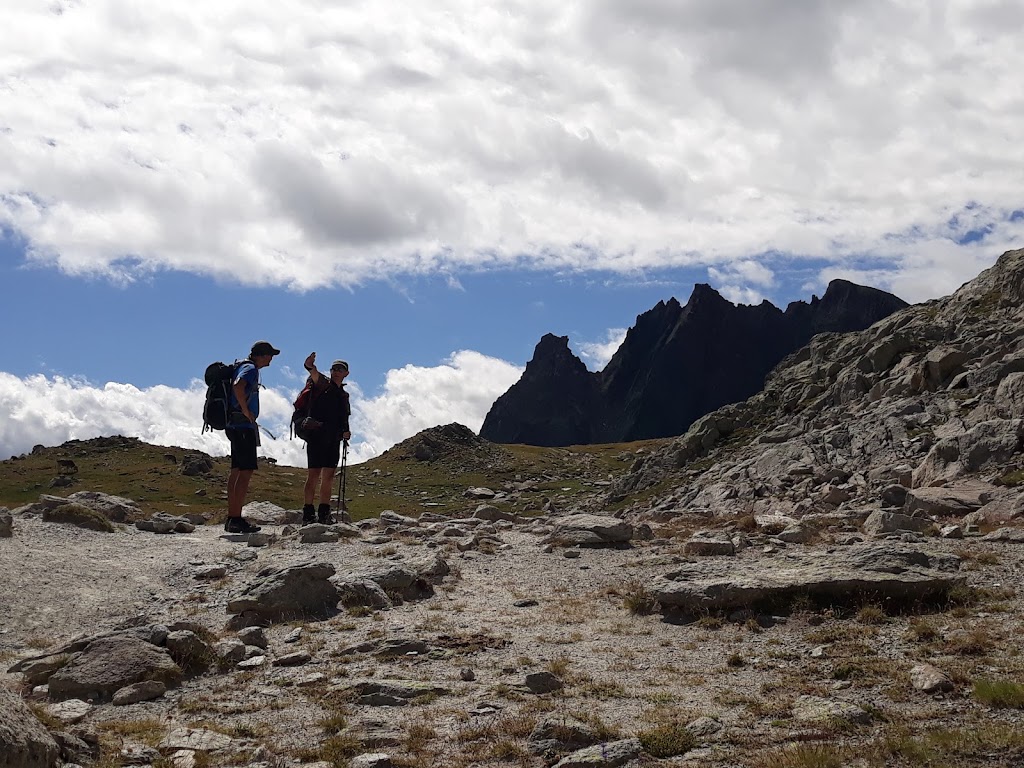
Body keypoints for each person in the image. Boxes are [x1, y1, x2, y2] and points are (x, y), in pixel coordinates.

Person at [224, 340, 280, 533]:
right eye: (270, 355)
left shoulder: (241, 366)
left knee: (237, 470)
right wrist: (247, 411)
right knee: (245, 472)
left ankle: (232, 517)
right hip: (242, 425)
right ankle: (236, 519)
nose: (271, 359)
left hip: (233, 423)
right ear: (262, 355)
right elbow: (238, 386)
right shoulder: (250, 369)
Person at [300, 352, 351, 524]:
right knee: (314, 474)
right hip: (317, 436)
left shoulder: (344, 395)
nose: (336, 371)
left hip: (334, 439)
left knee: (328, 477)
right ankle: (308, 513)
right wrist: (309, 365)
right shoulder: (322, 384)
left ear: (346, 373)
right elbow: (312, 371)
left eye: (340, 369)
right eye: (334, 368)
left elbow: (344, 417)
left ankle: (323, 513)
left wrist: (346, 432)